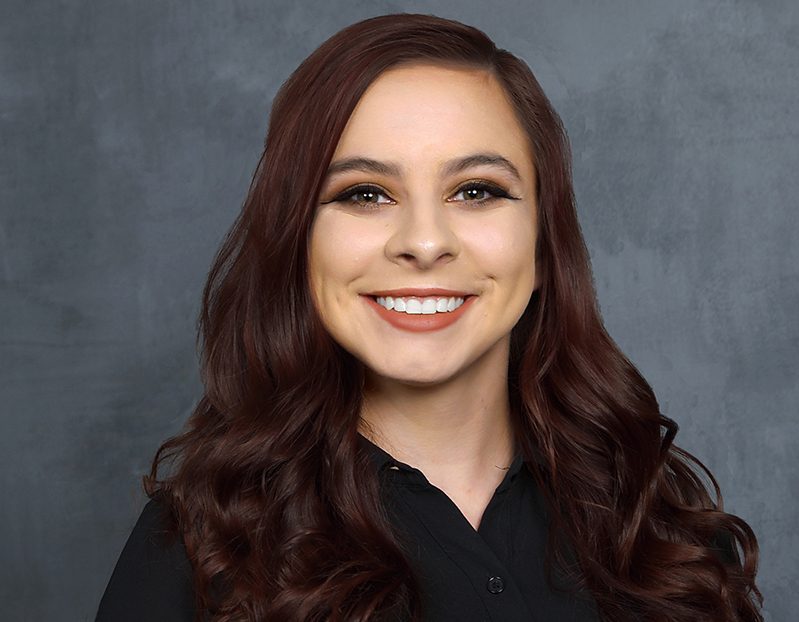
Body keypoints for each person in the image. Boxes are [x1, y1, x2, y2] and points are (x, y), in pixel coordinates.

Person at [95, 12, 763, 622]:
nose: (423, 241)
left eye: (476, 190)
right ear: (299, 241)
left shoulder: (661, 531)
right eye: (365, 194)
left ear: (543, 242)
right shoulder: (199, 549)